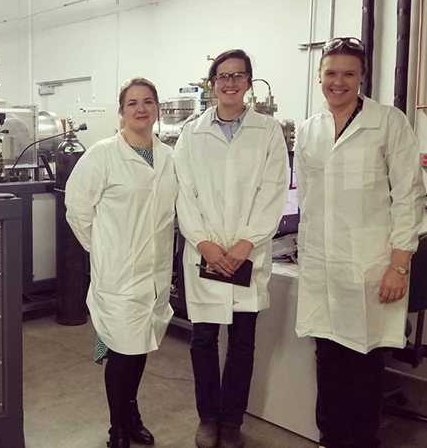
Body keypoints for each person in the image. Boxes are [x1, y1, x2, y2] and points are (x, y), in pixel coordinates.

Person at [294, 37, 426, 448]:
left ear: (363, 77)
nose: (339, 81)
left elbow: (410, 194)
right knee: (328, 360)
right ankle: (330, 438)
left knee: (366, 361)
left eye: (349, 73)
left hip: (372, 266)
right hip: (321, 265)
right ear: (319, 77)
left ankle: (365, 440)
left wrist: (399, 262)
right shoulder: (309, 129)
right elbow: (309, 199)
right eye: (331, 73)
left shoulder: (389, 122)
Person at [175, 49, 289, 448]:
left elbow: (273, 191)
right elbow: (183, 193)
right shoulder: (192, 132)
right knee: (203, 342)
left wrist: (245, 243)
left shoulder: (268, 131)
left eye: (238, 76)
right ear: (212, 83)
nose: (230, 83)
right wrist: (205, 243)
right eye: (223, 76)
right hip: (205, 253)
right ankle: (208, 418)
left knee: (242, 344)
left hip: (248, 254)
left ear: (249, 83)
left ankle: (232, 420)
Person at [65, 78, 177, 448]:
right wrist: (102, 251)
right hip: (118, 274)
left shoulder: (169, 158)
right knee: (123, 352)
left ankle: (131, 414)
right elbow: (77, 210)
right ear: (121, 112)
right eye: (132, 103)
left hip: (154, 274)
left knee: (139, 346)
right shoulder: (103, 154)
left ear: (157, 109)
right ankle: (118, 428)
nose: (141, 109)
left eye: (148, 102)